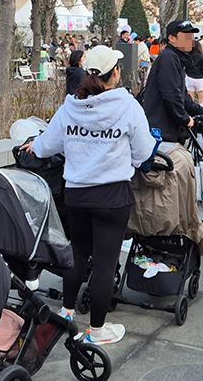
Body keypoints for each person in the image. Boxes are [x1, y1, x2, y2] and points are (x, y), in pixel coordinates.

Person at [25, 45, 155, 345]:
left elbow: (47, 146)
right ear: (116, 73)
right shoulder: (127, 106)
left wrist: (34, 146)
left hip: (77, 195)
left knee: (78, 254)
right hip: (112, 195)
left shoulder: (71, 106)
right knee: (105, 263)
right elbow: (144, 151)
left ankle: (67, 313)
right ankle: (96, 331)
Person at [142, 20, 203, 142]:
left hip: (168, 129)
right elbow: (171, 95)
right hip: (162, 132)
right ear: (172, 38)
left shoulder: (176, 58)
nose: (191, 40)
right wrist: (186, 119)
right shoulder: (168, 58)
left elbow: (183, 96)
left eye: (192, 36)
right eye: (187, 36)